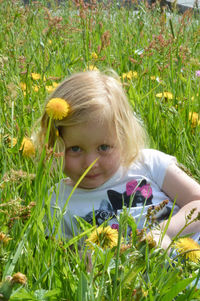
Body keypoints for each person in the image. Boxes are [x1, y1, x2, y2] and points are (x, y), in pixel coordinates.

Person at [36, 70, 200, 249]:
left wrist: (163, 232)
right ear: (53, 146)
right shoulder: (57, 201)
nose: (91, 163)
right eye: (75, 149)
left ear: (123, 136)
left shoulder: (149, 164)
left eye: (104, 148)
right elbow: (59, 255)